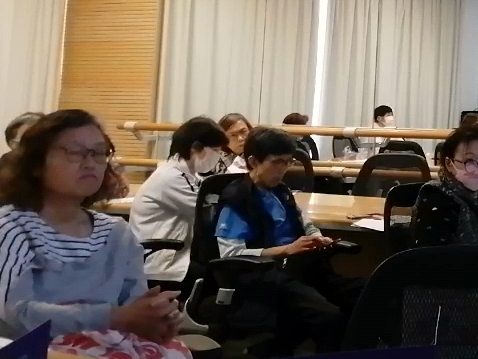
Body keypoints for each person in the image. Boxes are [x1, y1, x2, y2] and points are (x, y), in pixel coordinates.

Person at [0, 110, 187, 355]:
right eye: (74, 152)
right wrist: (113, 317)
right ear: (36, 164)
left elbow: (133, 306)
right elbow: (15, 314)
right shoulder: (13, 227)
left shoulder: (116, 232)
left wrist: (155, 319)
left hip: (112, 343)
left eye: (98, 153)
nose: (90, 163)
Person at [214, 127, 363, 354]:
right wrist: (286, 250)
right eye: (276, 162)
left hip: (299, 268)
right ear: (253, 161)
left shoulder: (281, 192)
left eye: (287, 162)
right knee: (329, 316)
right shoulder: (238, 200)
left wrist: (317, 237)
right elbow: (230, 254)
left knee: (366, 294)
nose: (283, 169)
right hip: (266, 276)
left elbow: (306, 224)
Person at [129, 117, 227, 291]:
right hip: (161, 260)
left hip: (178, 253)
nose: (218, 156)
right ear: (196, 147)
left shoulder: (187, 175)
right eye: (215, 150)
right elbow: (206, 213)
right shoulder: (170, 177)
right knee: (221, 278)